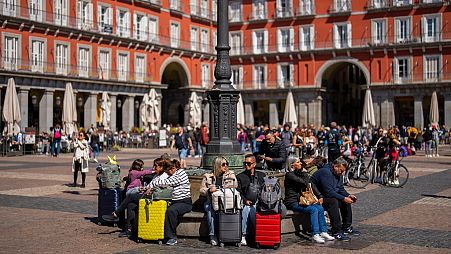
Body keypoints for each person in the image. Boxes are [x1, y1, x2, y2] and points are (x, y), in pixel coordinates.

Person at [103, 158, 162, 237]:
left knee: (130, 202)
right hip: (134, 191)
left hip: (148, 194)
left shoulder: (161, 176)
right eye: (153, 166)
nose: (153, 168)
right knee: (130, 200)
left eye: (155, 166)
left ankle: (118, 216)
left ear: (161, 167)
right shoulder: (134, 172)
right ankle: (128, 228)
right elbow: (144, 173)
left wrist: (147, 188)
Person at [284, 157, 335, 243]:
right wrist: (304, 172)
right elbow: (305, 182)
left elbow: (311, 185)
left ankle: (323, 231)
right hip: (293, 202)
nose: (300, 163)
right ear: (292, 165)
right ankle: (315, 234)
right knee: (313, 209)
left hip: (303, 201)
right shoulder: (289, 175)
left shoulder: (298, 173)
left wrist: (319, 195)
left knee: (320, 208)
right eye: (298, 162)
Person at [310, 157, 360, 241]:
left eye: (343, 171)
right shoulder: (325, 172)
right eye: (341, 170)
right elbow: (329, 192)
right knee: (333, 201)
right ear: (335, 166)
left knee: (345, 200)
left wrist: (348, 195)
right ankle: (336, 231)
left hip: (325, 196)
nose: (342, 173)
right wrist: (343, 198)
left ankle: (346, 227)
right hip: (317, 198)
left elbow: (340, 188)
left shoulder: (337, 173)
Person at [146, 159, 192, 246]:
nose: (166, 174)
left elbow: (165, 182)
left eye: (167, 172)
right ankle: (156, 233)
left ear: (173, 168)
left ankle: (172, 237)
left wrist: (153, 185)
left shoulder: (181, 173)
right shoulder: (171, 175)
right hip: (173, 201)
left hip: (184, 202)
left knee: (171, 211)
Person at [199, 157, 237, 246]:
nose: (226, 166)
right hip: (211, 201)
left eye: (227, 164)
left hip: (225, 200)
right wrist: (209, 190)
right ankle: (212, 235)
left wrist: (228, 177)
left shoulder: (230, 174)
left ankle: (228, 234)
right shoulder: (207, 176)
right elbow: (201, 190)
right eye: (223, 164)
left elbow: (235, 185)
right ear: (217, 165)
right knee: (209, 208)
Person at [236, 154, 266, 246]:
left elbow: (265, 190)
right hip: (246, 202)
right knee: (247, 209)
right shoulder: (240, 176)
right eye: (244, 163)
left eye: (248, 163)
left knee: (253, 210)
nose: (246, 165)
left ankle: (257, 235)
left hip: (259, 202)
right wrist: (245, 200)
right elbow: (238, 192)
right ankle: (243, 235)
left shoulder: (261, 175)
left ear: (254, 164)